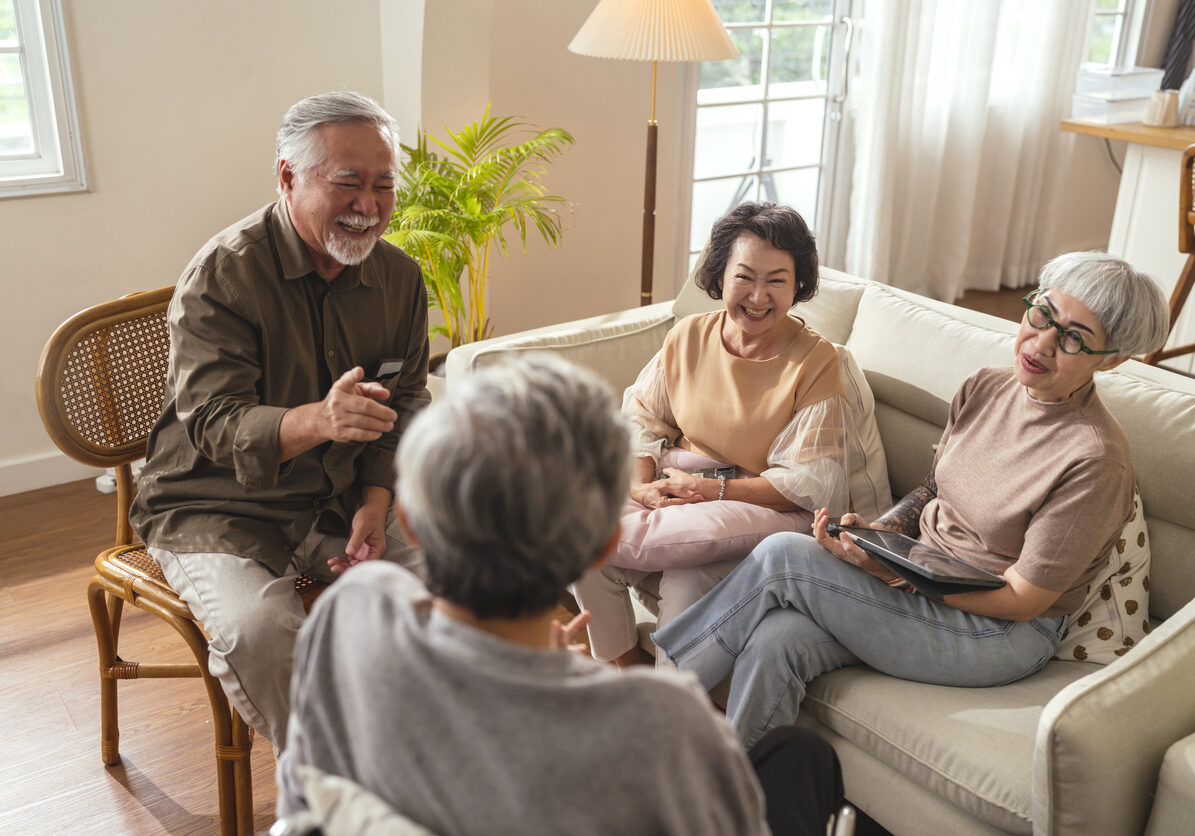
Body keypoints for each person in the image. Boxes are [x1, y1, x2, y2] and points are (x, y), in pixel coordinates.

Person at [276, 354, 845, 836]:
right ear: (599, 547)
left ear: (412, 521)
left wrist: (522, 665)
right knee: (802, 758)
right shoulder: (668, 724)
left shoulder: (351, 613)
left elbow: (304, 801)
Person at [652, 251, 1171, 748]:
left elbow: (1023, 600)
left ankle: (646, 717)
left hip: (999, 633)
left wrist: (897, 576)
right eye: (1042, 315)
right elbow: (933, 489)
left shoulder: (1095, 459)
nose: (1040, 344)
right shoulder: (986, 387)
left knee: (782, 556)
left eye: (1074, 340)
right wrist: (877, 539)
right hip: (925, 575)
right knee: (777, 640)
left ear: (1114, 359)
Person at [129, 91, 430, 751]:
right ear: (288, 178)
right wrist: (320, 420)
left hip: (344, 499)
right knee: (260, 631)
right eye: (348, 183)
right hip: (214, 507)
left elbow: (405, 404)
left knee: (452, 587)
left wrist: (376, 504)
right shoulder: (222, 275)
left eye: (384, 185)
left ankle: (420, 765)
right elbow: (213, 423)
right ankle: (329, 792)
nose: (370, 205)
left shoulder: (400, 280)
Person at [572, 202, 850, 668]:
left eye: (777, 280)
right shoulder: (688, 336)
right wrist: (640, 485)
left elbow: (809, 484)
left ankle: (667, 706)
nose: (758, 297)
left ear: (798, 285)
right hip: (679, 484)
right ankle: (622, 677)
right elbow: (643, 420)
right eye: (745, 277)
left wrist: (707, 490)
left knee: (686, 574)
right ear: (719, 276)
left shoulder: (817, 363)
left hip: (760, 505)